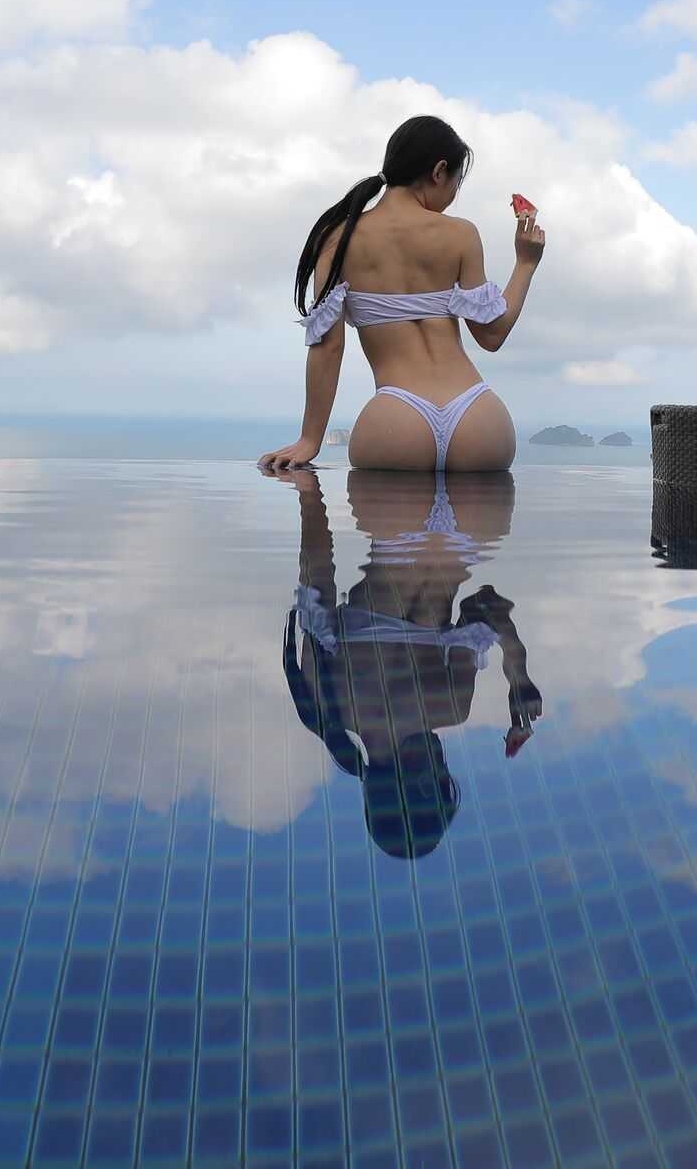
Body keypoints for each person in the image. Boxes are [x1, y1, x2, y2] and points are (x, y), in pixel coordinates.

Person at [271, 465, 542, 859]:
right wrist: (307, 488)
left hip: (469, 511)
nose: (444, 765)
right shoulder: (327, 704)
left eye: (443, 779)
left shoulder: (449, 707)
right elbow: (317, 564)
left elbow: (485, 605)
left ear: (426, 786)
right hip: (391, 505)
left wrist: (519, 676)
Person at [257, 115, 546, 473]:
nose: (453, 196)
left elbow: (328, 347)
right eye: (456, 182)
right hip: (477, 416)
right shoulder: (461, 234)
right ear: (439, 171)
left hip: (395, 420)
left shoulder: (336, 238)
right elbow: (492, 335)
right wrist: (525, 264)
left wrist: (309, 439)